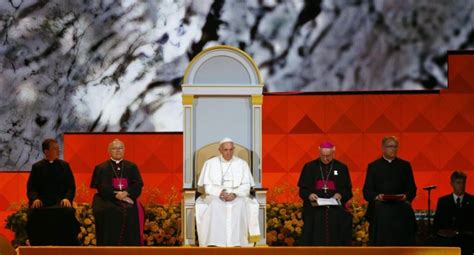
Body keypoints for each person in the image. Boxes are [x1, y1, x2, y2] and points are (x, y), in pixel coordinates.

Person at [195, 138, 260, 247]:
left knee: (239, 204)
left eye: (231, 150)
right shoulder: (210, 163)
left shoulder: (242, 164)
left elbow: (246, 185)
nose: (228, 153)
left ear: (233, 149)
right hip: (216, 196)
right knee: (215, 205)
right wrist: (220, 192)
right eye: (225, 150)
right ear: (220, 150)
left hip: (237, 196)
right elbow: (208, 186)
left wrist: (234, 194)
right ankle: (215, 242)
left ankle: (237, 242)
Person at [363, 136, 417, 246]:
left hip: (400, 207)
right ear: (383, 148)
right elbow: (367, 191)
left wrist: (405, 196)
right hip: (381, 208)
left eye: (395, 146)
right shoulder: (373, 166)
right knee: (380, 212)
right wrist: (378, 196)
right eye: (390, 146)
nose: (393, 149)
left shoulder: (405, 166)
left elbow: (412, 189)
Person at [297, 141, 353, 246]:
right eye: (323, 156)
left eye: (328, 156)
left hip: (335, 214)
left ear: (334, 153)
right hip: (315, 213)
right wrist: (309, 195)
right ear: (319, 152)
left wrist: (340, 195)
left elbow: (348, 191)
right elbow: (302, 190)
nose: (325, 159)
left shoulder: (342, 167)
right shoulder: (309, 167)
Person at [91, 139, 144, 246]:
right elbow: (100, 187)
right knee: (110, 211)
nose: (118, 151)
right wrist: (115, 195)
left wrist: (126, 193)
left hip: (128, 198)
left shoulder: (132, 166)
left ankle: (130, 247)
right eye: (114, 148)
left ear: (124, 150)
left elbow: (138, 184)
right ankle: (109, 246)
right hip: (108, 199)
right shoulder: (101, 167)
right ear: (109, 151)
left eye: (120, 148)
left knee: (132, 211)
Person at [26, 138, 79, 245]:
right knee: (34, 213)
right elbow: (31, 188)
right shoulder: (37, 167)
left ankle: (68, 244)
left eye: (58, 149)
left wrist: (67, 198)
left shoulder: (64, 166)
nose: (58, 151)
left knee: (68, 212)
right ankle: (37, 243)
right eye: (55, 149)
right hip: (42, 203)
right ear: (46, 151)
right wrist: (35, 198)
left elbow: (71, 186)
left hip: (60, 202)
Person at [433, 171, 474, 255]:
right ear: (452, 183)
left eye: (463, 183)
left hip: (468, 242)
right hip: (447, 242)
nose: (461, 186)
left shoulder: (472, 200)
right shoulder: (443, 201)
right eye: (458, 183)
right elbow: (437, 224)